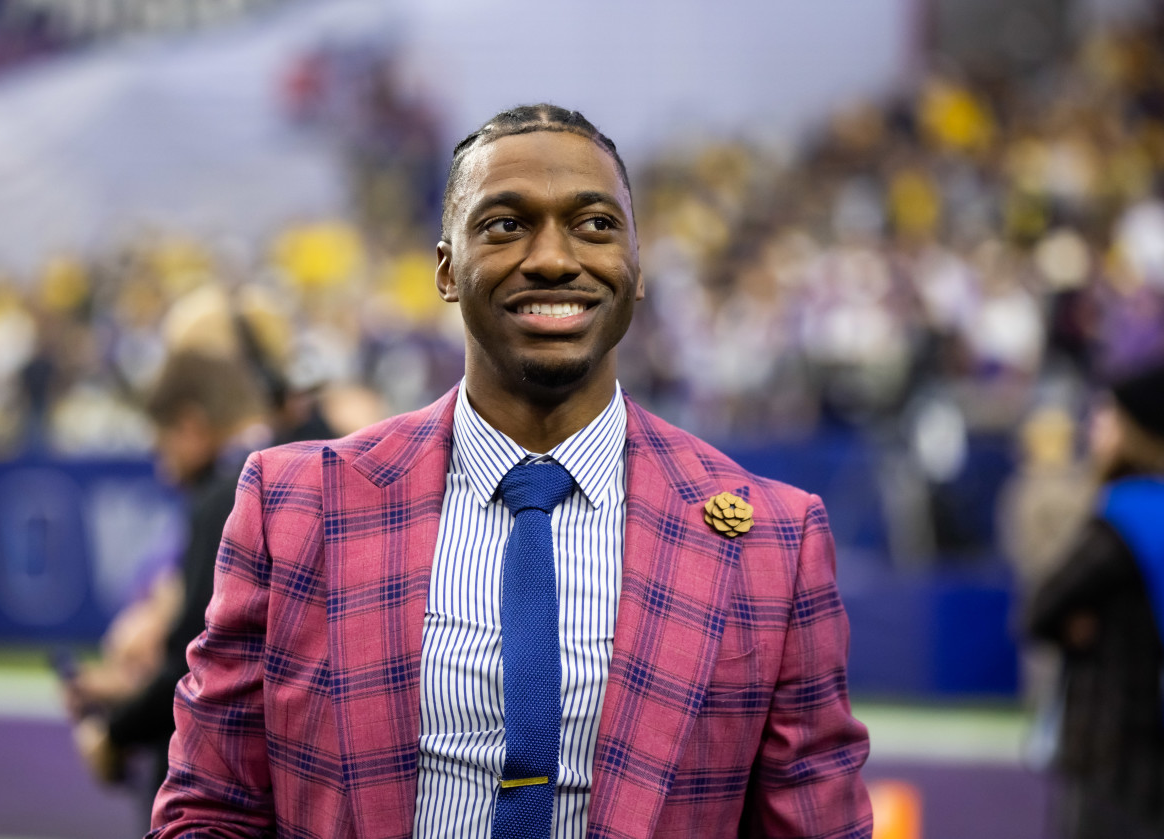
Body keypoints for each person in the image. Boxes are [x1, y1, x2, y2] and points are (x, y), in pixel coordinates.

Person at [149, 104, 871, 838]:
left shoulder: (773, 542)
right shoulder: (295, 505)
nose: (555, 258)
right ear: (445, 270)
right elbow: (213, 805)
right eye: (505, 225)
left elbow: (817, 825)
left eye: (594, 225)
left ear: (637, 269)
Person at [66, 349, 273, 821]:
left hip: (228, 789)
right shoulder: (282, 465)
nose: (162, 466)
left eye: (162, 442)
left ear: (190, 425)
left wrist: (113, 734)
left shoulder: (228, 495)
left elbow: (199, 664)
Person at [1026, 361, 1164, 839]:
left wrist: (1073, 623)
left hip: (1114, 751)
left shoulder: (1121, 519)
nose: (1093, 429)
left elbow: (1041, 607)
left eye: (1106, 418)